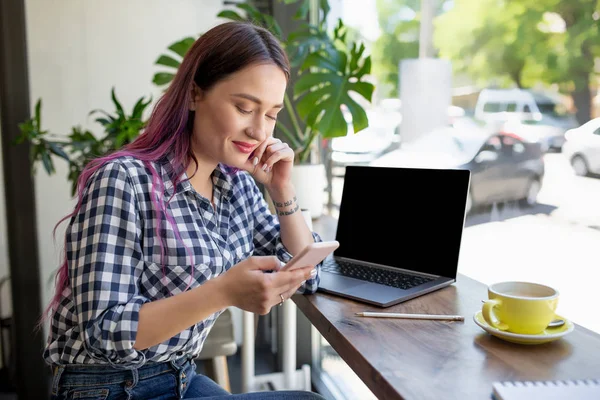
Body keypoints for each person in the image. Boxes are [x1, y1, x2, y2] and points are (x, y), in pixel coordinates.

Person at [42, 21, 327, 400]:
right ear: (195, 94)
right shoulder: (123, 180)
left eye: (271, 114)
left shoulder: (236, 186)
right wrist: (223, 291)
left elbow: (305, 271)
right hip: (107, 386)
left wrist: (282, 188)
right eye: (244, 108)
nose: (260, 131)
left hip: (180, 376)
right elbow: (103, 334)